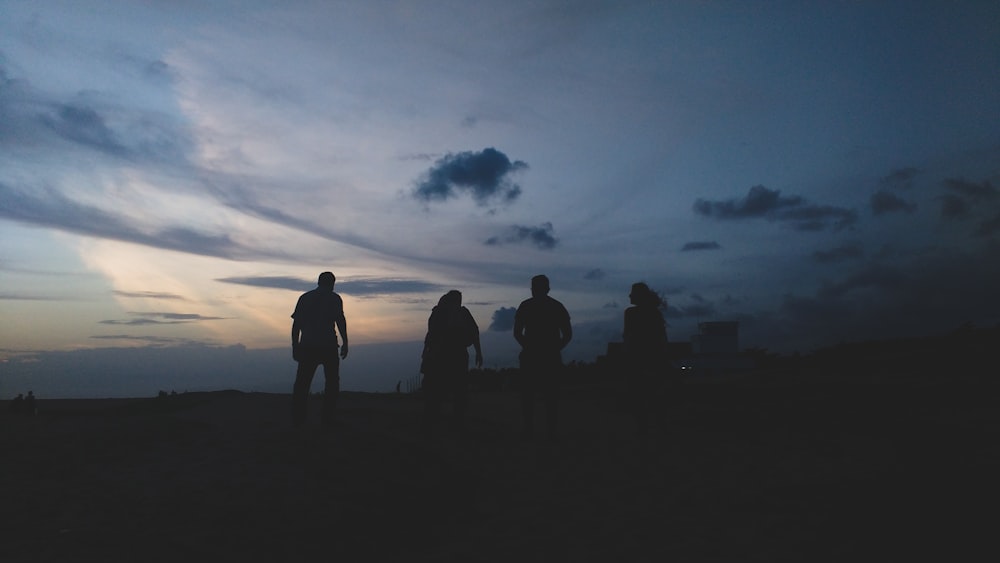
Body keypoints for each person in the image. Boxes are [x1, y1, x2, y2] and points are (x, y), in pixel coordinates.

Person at [513, 275, 572, 441]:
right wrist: (554, 349)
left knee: (530, 397)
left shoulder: (526, 306)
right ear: (548, 289)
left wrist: (529, 347)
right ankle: (549, 431)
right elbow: (567, 335)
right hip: (547, 356)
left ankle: (530, 430)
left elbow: (517, 333)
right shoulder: (557, 306)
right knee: (549, 397)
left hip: (535, 356)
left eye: (534, 287)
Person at [291, 271, 349, 427]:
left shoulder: (305, 298)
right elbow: (340, 321)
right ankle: (327, 418)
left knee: (302, 384)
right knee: (332, 383)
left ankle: (299, 418)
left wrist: (295, 346)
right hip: (328, 345)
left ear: (318, 282)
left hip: (308, 345)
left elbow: (296, 325)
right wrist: (346, 342)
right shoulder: (335, 299)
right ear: (332, 283)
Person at [421, 290, 483, 434]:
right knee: (441, 393)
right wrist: (478, 352)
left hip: (453, 357)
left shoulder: (456, 313)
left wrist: (479, 352)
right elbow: (431, 335)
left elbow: (474, 332)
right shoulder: (442, 314)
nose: (459, 302)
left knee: (455, 393)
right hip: (444, 358)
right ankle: (436, 424)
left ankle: (449, 424)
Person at [623, 282, 669, 437]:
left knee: (639, 400)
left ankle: (644, 432)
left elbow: (628, 339)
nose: (629, 296)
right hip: (653, 361)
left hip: (638, 361)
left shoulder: (630, 314)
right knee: (653, 399)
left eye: (632, 293)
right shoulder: (655, 314)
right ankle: (656, 431)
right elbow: (663, 340)